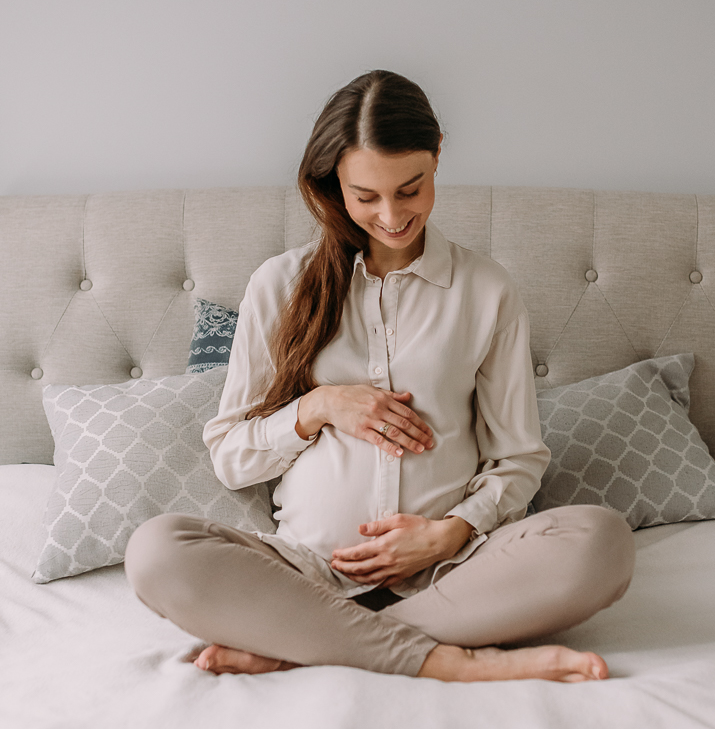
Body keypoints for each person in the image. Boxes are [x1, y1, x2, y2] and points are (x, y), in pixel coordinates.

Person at [125, 71, 635, 682]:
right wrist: (320, 407)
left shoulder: (486, 290)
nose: (392, 216)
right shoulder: (280, 286)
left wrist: (448, 535)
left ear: (438, 154)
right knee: (155, 552)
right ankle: (454, 662)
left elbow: (518, 458)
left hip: (456, 574)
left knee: (601, 541)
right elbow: (233, 457)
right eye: (365, 196)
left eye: (411, 189)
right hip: (302, 573)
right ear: (332, 185)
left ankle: (303, 644)